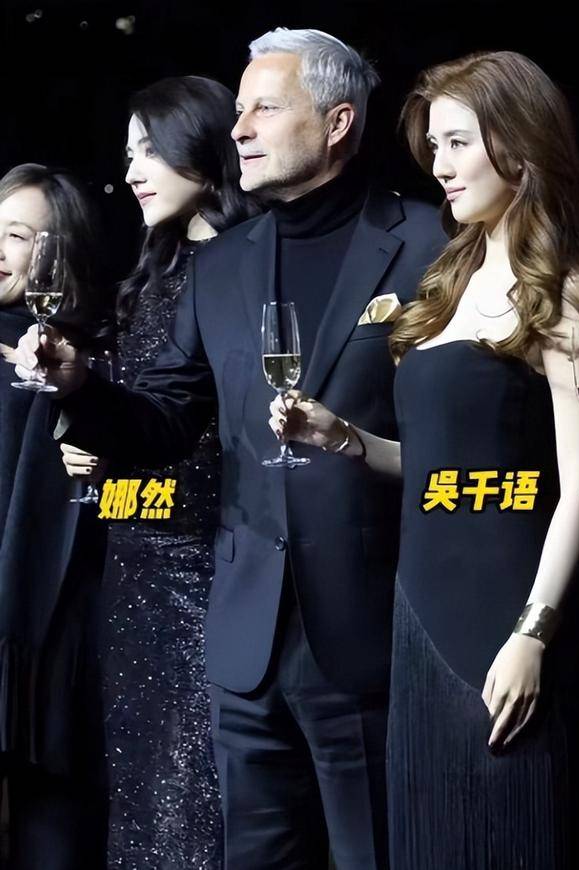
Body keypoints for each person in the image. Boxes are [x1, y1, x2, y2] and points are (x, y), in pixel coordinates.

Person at [14, 28, 443, 870]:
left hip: (374, 633)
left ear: (338, 123)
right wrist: (79, 388)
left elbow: (460, 429)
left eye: (264, 109)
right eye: (238, 110)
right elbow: (166, 421)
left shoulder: (429, 242)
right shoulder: (224, 265)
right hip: (244, 641)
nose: (239, 128)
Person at [270, 50, 579, 869]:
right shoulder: (450, 278)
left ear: (518, 146)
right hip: (417, 617)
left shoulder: (561, 291)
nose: (439, 166)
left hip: (509, 620)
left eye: (458, 144)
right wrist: (344, 439)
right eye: (434, 146)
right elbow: (439, 464)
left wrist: (533, 633)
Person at [59, 75, 257, 868]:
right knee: (143, 796)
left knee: (198, 799)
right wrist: (90, 430)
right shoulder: (148, 280)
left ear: (202, 150)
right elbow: (144, 415)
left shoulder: (247, 271)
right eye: (128, 154)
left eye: (150, 150)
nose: (133, 170)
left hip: (208, 567)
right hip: (130, 567)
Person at [0, 163, 110, 870]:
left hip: (58, 638)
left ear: (56, 257)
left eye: (16, 236)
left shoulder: (85, 362)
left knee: (55, 831)